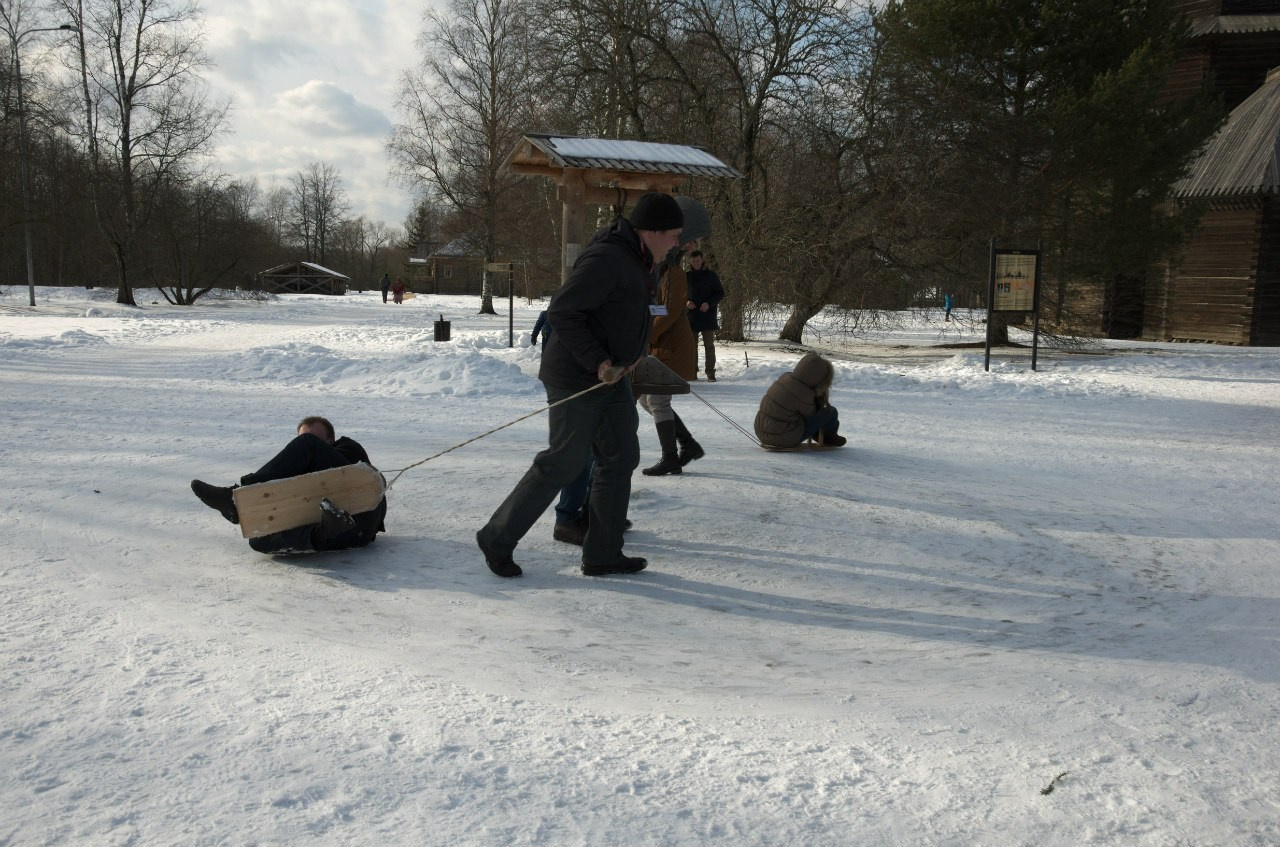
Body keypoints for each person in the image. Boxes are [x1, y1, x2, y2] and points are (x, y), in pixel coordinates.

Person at [475, 192, 684, 578]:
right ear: (652, 231)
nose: (677, 244)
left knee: (621, 456)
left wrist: (632, 353)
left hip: (614, 377)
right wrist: (598, 360)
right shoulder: (609, 259)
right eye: (673, 235)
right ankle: (496, 537)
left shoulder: (640, 260)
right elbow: (563, 311)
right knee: (564, 462)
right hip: (577, 376)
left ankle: (602, 553)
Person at [190, 416, 387, 555]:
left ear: (331, 441)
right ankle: (324, 531)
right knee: (258, 538)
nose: (309, 446)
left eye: (319, 441)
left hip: (364, 516)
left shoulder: (348, 448)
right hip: (344, 533)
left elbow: (359, 479)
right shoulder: (298, 470)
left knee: (307, 444)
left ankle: (236, 499)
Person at [639, 194, 710, 476]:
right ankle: (688, 444)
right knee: (648, 400)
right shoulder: (665, 271)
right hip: (664, 343)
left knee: (657, 399)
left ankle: (671, 457)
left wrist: (647, 337)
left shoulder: (676, 273)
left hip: (672, 344)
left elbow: (668, 311)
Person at [753, 352, 847, 449]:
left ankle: (820, 435)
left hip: (761, 431)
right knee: (831, 412)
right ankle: (829, 438)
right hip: (782, 437)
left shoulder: (785, 378)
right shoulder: (805, 393)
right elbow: (811, 416)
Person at [685, 250, 724, 381]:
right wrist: (686, 302)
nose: (696, 263)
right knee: (691, 346)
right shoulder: (686, 277)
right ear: (690, 261)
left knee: (709, 346)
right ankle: (692, 371)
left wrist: (709, 303)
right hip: (691, 316)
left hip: (708, 315)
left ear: (702, 260)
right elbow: (680, 294)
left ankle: (710, 373)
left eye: (698, 260)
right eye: (693, 261)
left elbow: (720, 293)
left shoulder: (711, 276)